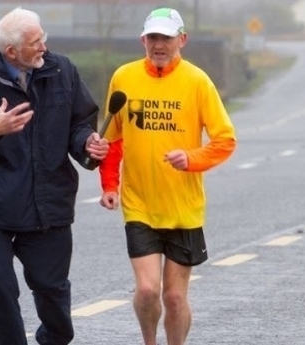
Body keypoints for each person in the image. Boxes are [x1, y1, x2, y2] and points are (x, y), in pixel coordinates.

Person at [0, 7, 109, 345]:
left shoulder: (62, 70)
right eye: (35, 43)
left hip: (49, 205)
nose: (44, 47)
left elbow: (80, 121)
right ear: (11, 52)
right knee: (2, 287)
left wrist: (87, 143)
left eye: (43, 38)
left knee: (52, 293)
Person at [98, 7, 237, 345]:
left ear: (182, 40)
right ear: (143, 40)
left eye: (166, 38)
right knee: (147, 290)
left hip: (183, 208)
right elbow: (112, 139)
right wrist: (110, 185)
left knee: (174, 298)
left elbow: (225, 141)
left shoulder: (197, 81)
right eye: (153, 38)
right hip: (139, 205)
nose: (159, 45)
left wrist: (190, 158)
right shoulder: (124, 78)